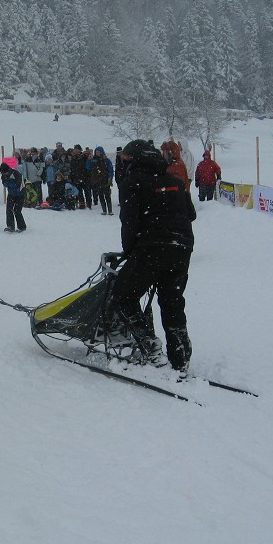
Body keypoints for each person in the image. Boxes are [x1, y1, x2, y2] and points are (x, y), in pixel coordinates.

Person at [111, 139, 196, 373]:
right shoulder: (174, 181)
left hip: (152, 247)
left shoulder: (132, 182)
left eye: (126, 159)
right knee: (172, 303)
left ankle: (151, 349)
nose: (124, 163)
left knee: (123, 296)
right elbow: (191, 214)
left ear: (135, 159)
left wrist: (129, 251)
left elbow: (129, 223)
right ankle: (181, 358)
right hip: (181, 247)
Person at [86, 146, 114, 215]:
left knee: (107, 196)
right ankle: (104, 210)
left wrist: (110, 178)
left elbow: (111, 169)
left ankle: (110, 210)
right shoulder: (93, 160)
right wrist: (89, 160)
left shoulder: (106, 160)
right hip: (97, 181)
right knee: (101, 196)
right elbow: (88, 167)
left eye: (98, 152)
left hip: (105, 180)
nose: (97, 153)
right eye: (96, 152)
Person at [0, 163, 26, 233]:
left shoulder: (16, 173)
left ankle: (22, 227)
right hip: (11, 194)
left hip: (20, 195)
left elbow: (18, 184)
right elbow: (4, 184)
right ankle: (10, 226)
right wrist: (9, 182)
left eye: (5, 173)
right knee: (9, 210)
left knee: (17, 211)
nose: (4, 174)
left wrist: (9, 182)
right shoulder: (4, 175)